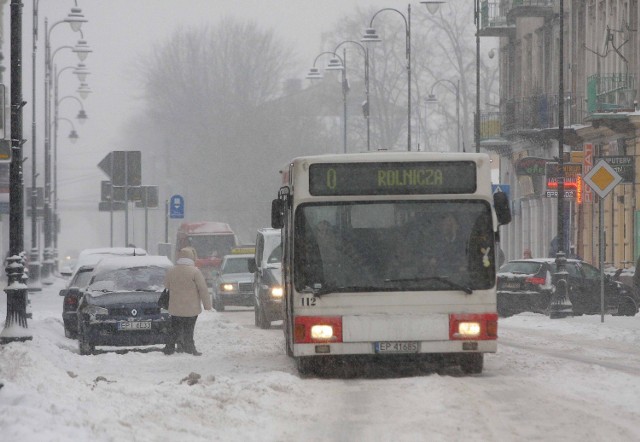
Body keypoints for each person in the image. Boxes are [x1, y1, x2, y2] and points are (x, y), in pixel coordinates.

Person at [163, 247, 211, 356]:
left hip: (176, 307)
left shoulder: (172, 271)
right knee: (189, 330)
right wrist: (207, 305)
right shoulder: (195, 271)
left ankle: (169, 348)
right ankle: (189, 348)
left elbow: (166, 285)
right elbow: (202, 289)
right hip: (191, 308)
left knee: (175, 329)